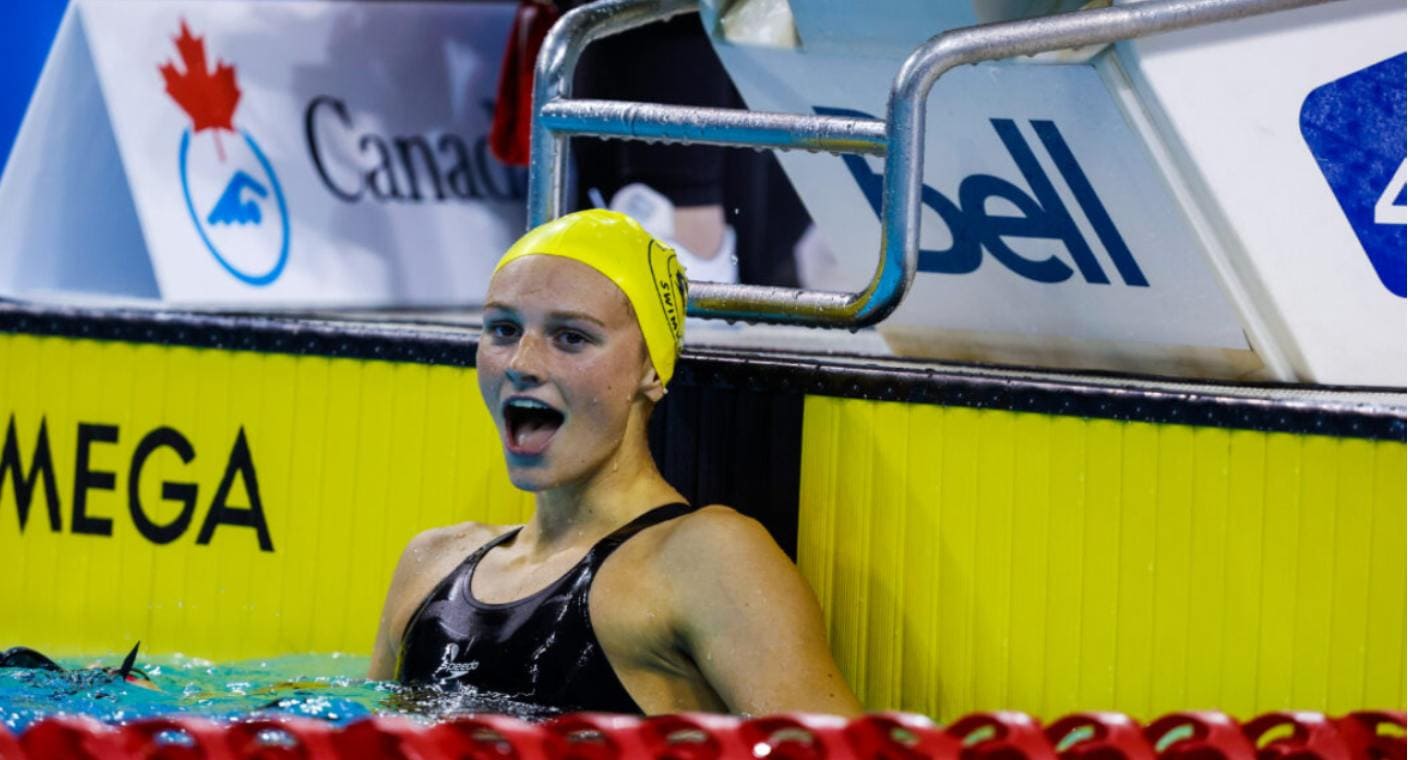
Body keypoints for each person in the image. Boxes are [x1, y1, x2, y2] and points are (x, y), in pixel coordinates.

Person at [369, 209, 860, 716]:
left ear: (651, 369)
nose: (521, 363)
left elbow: (838, 751)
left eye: (571, 337)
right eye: (504, 329)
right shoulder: (431, 564)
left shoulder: (704, 560)